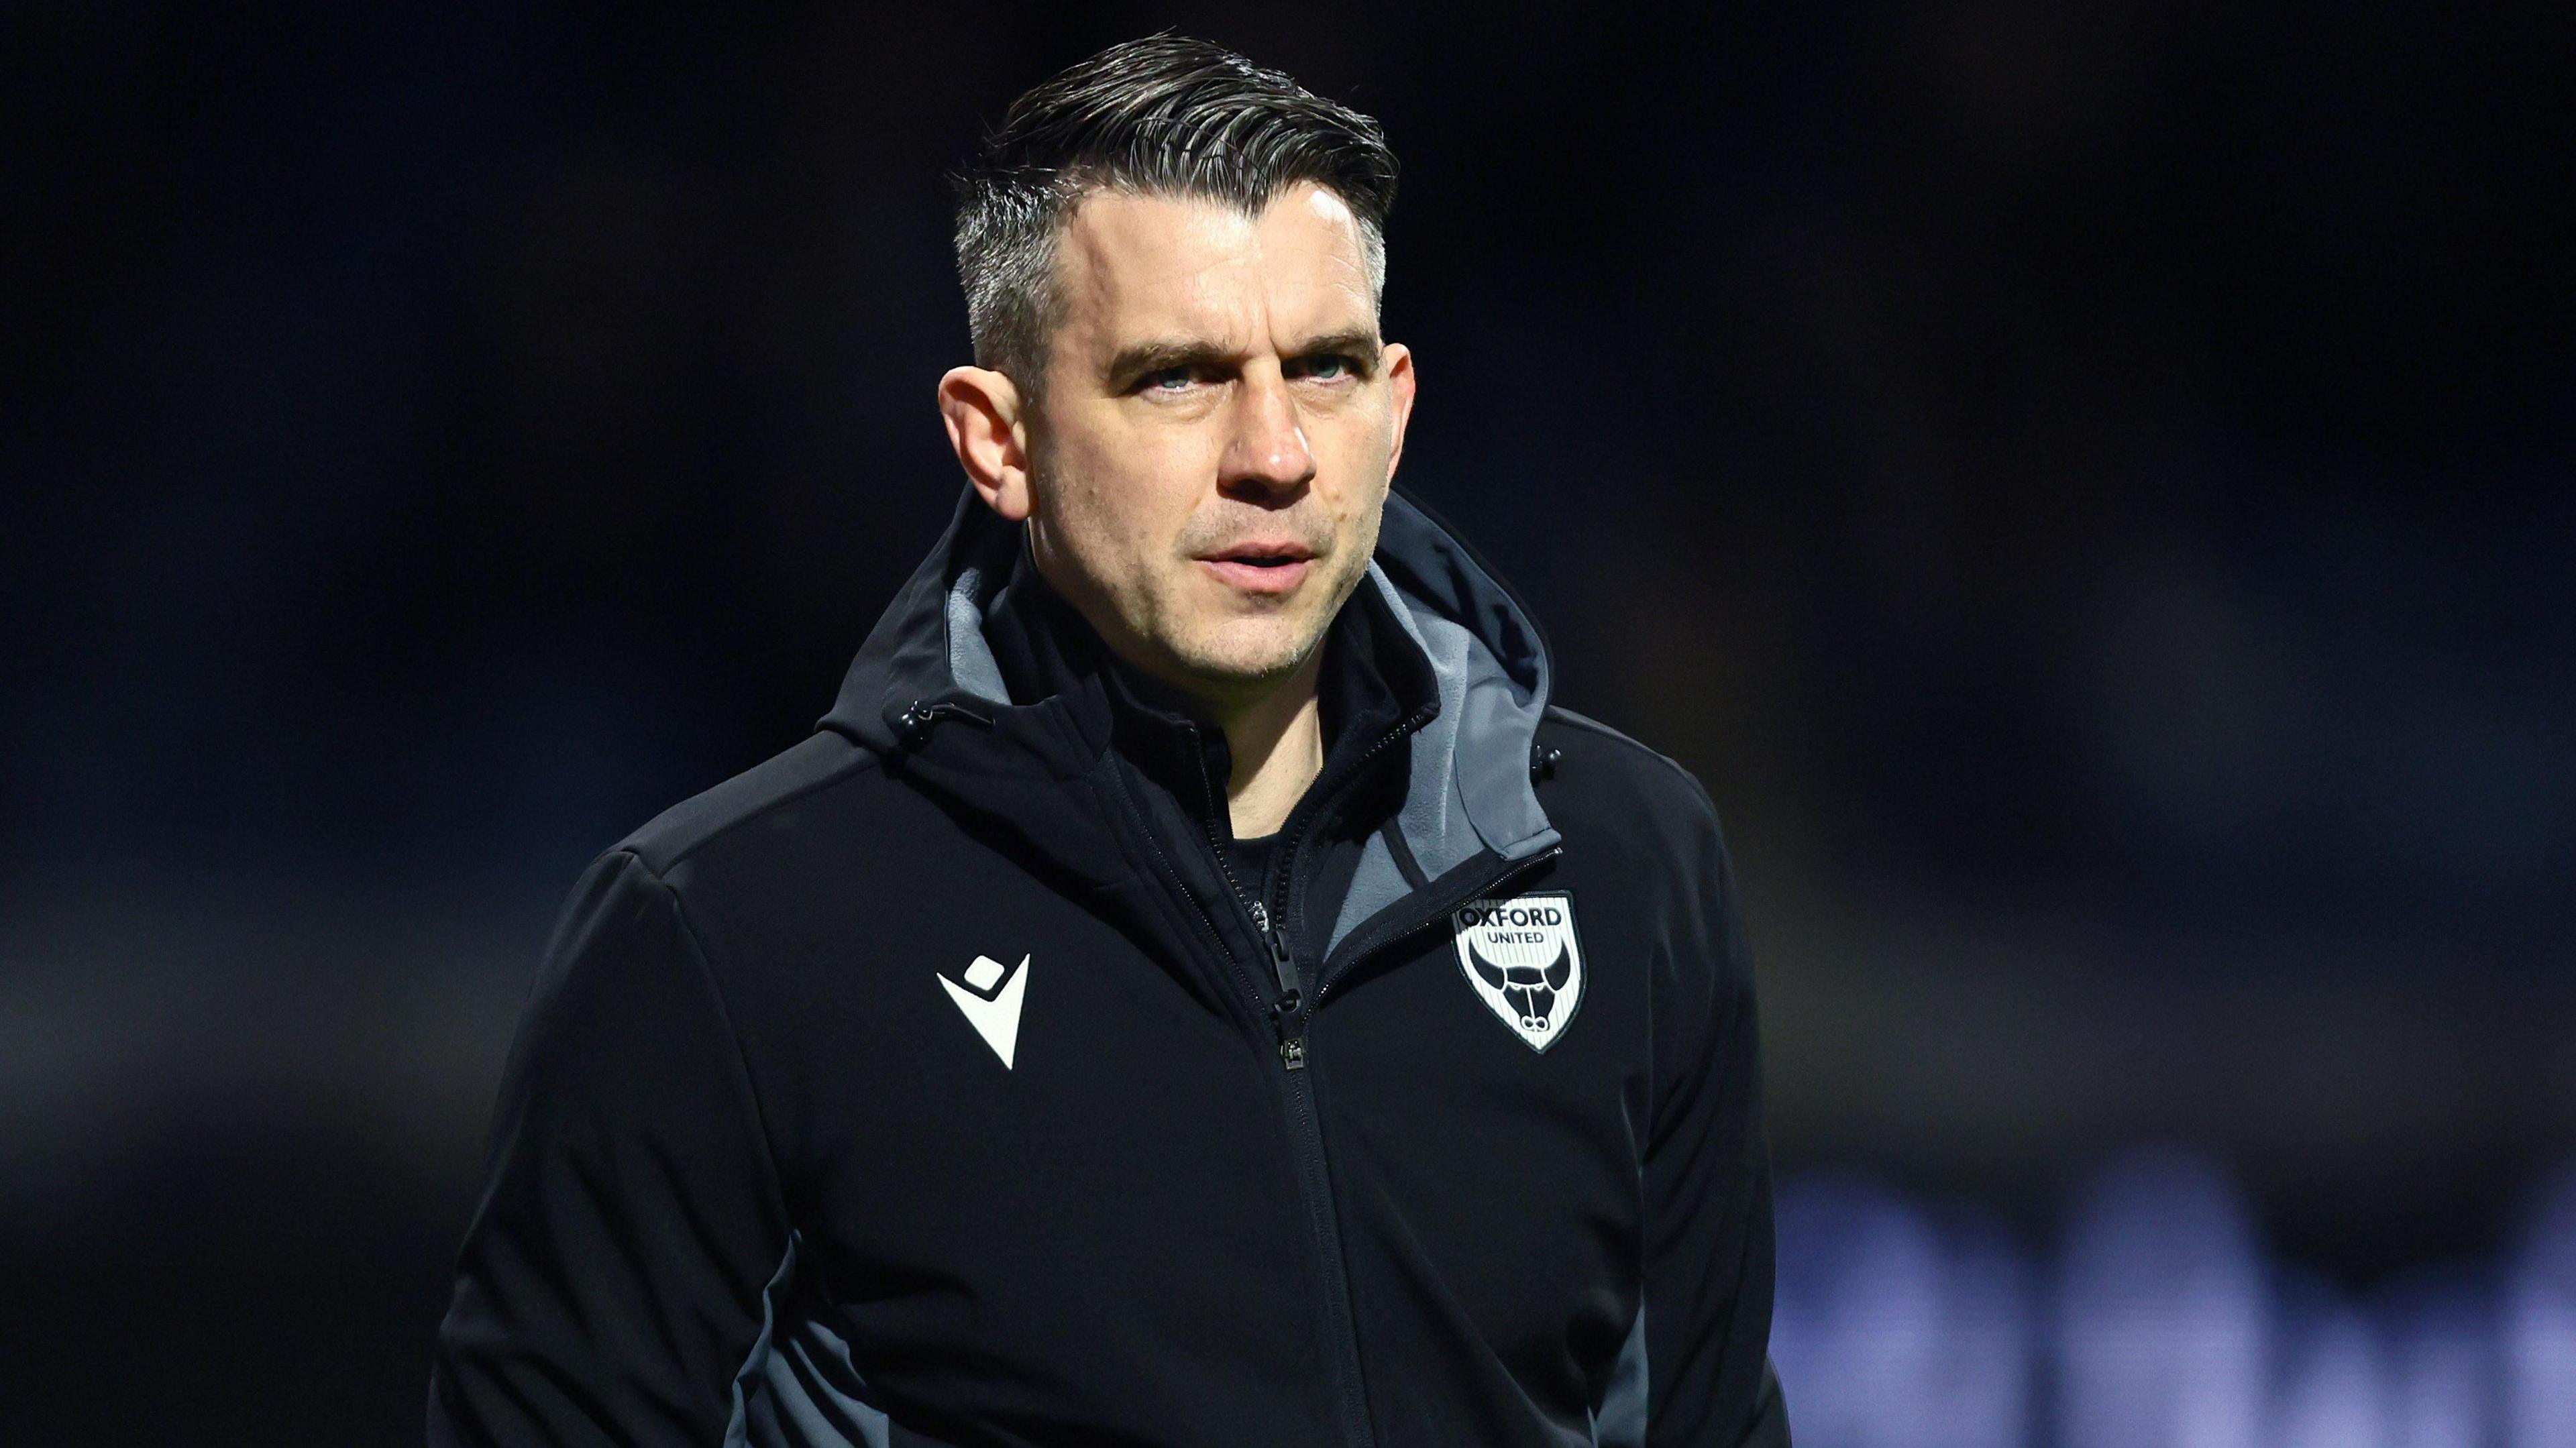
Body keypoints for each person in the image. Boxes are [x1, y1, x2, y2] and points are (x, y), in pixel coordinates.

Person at [429, 34, 1787, 1448]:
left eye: (1321, 371)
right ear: (996, 441)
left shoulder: (1627, 863)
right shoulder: (727, 937)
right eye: (1177, 380)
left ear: (1394, 409)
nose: (1274, 454)